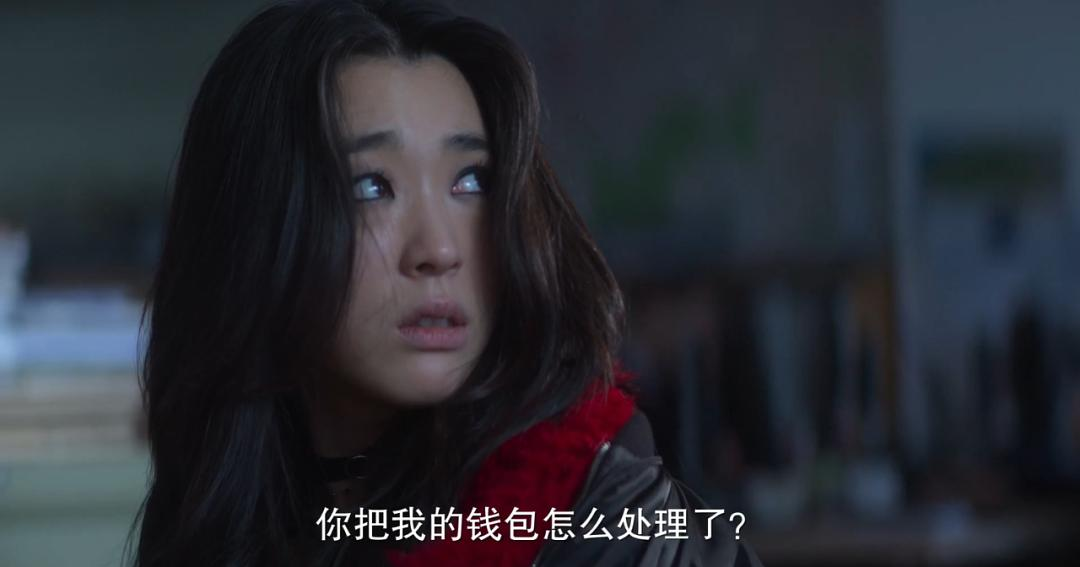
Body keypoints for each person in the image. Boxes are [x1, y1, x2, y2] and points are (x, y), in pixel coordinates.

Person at [130, 1, 763, 565]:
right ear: (258, 229)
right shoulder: (230, 513)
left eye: (471, 181)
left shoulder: (614, 524)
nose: (438, 250)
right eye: (371, 186)